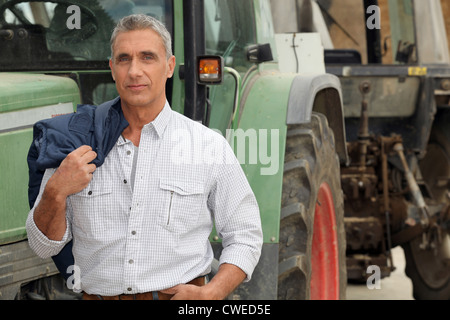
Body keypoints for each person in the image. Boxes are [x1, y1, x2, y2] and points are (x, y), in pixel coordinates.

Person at [26, 14, 263, 300]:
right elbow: (43, 247)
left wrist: (213, 292)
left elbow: (245, 235)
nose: (134, 71)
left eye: (147, 57)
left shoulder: (207, 146)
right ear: (113, 69)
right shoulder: (75, 145)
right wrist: (55, 191)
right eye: (124, 59)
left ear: (170, 66)